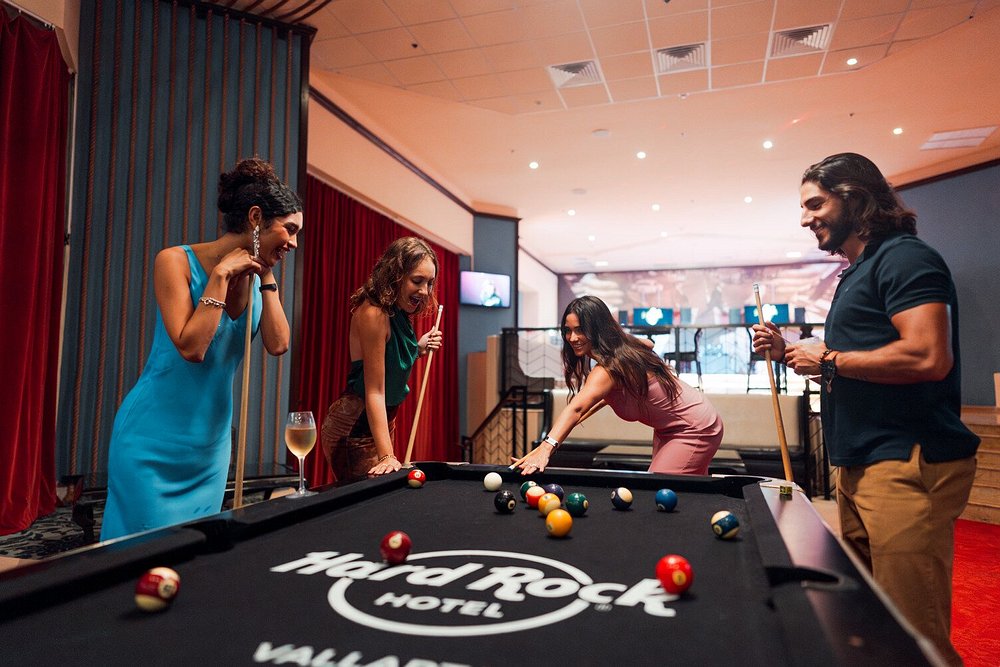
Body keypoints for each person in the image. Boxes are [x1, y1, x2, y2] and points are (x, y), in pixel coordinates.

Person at [752, 152, 979, 665]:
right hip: (860, 467)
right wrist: (792, 350)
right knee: (866, 625)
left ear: (854, 197)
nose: (806, 217)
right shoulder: (858, 272)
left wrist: (827, 357)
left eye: (815, 203)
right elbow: (862, 361)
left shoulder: (905, 257)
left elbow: (927, 355)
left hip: (903, 463)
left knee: (912, 638)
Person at [101, 158, 303, 541]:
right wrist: (221, 277)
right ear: (256, 218)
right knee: (135, 559)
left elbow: (279, 344)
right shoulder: (174, 261)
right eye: (289, 230)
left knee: (192, 559)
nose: (293, 243)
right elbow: (192, 347)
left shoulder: (261, 278)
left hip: (210, 449)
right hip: (152, 442)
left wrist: (269, 276)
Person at [514, 295, 723, 476]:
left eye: (580, 330)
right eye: (568, 331)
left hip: (694, 428)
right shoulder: (621, 353)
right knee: (677, 494)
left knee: (657, 491)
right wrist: (544, 446)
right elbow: (648, 345)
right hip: (670, 429)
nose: (573, 338)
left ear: (597, 329)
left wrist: (547, 447)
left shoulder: (608, 368)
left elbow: (576, 408)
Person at [320, 237, 443, 483]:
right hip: (355, 426)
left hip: (380, 422)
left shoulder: (396, 310)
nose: (424, 291)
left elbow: (390, 361)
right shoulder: (374, 313)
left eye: (429, 283)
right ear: (395, 275)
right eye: (417, 281)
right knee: (367, 504)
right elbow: (374, 390)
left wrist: (418, 348)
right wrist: (387, 455)